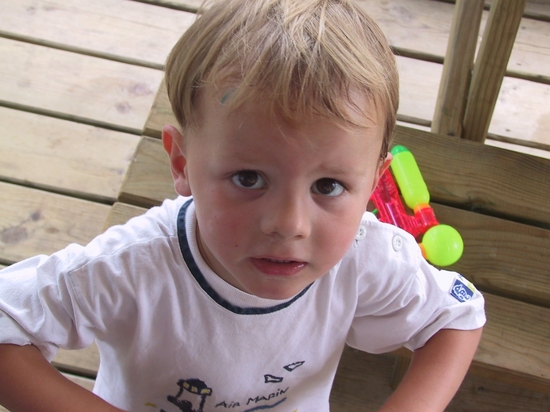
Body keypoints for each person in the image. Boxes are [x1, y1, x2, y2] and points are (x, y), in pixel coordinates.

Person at [0, 0, 485, 411]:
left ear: (375, 183)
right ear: (182, 163)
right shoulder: (135, 268)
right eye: (248, 179)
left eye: (329, 186)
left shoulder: (365, 258)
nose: (289, 224)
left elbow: (455, 318)